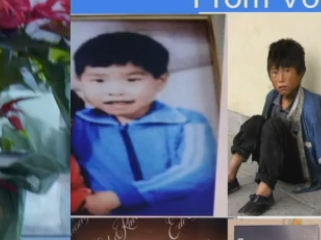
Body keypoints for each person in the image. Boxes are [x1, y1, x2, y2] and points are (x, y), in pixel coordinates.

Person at [71, 31, 219, 217]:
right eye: (99, 80)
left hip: (188, 219)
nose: (115, 91)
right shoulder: (78, 125)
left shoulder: (188, 121)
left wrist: (123, 196)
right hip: (115, 224)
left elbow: (197, 172)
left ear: (161, 81)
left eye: (132, 80)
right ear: (80, 82)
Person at [229, 39, 321, 215]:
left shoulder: (311, 103)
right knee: (257, 120)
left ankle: (264, 193)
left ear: (301, 73)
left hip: (298, 170)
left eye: (287, 71)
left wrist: (319, 176)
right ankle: (230, 177)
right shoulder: (272, 97)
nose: (280, 79)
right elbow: (262, 132)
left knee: (272, 124)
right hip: (276, 164)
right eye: (275, 72)